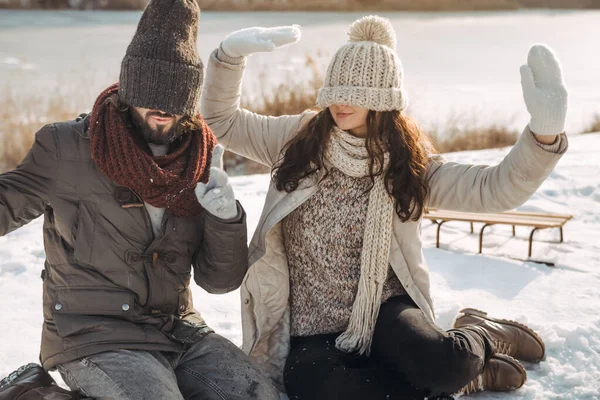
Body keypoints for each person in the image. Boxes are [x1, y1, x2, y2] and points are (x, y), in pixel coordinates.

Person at [201, 15, 567, 400]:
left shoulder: (408, 165)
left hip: (383, 312)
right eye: (335, 88)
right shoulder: (296, 140)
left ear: (381, 99)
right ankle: (464, 380)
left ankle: (477, 334)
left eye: (354, 91)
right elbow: (220, 120)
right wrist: (228, 59)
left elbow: (494, 189)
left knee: (445, 364)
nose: (339, 100)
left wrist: (543, 139)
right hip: (310, 329)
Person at [0, 0, 279, 399]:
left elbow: (220, 281)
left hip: (177, 329)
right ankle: (31, 394)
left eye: (175, 95)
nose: (162, 108)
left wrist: (225, 216)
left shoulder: (200, 158)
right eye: (150, 92)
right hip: (93, 332)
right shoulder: (67, 147)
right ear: (131, 89)